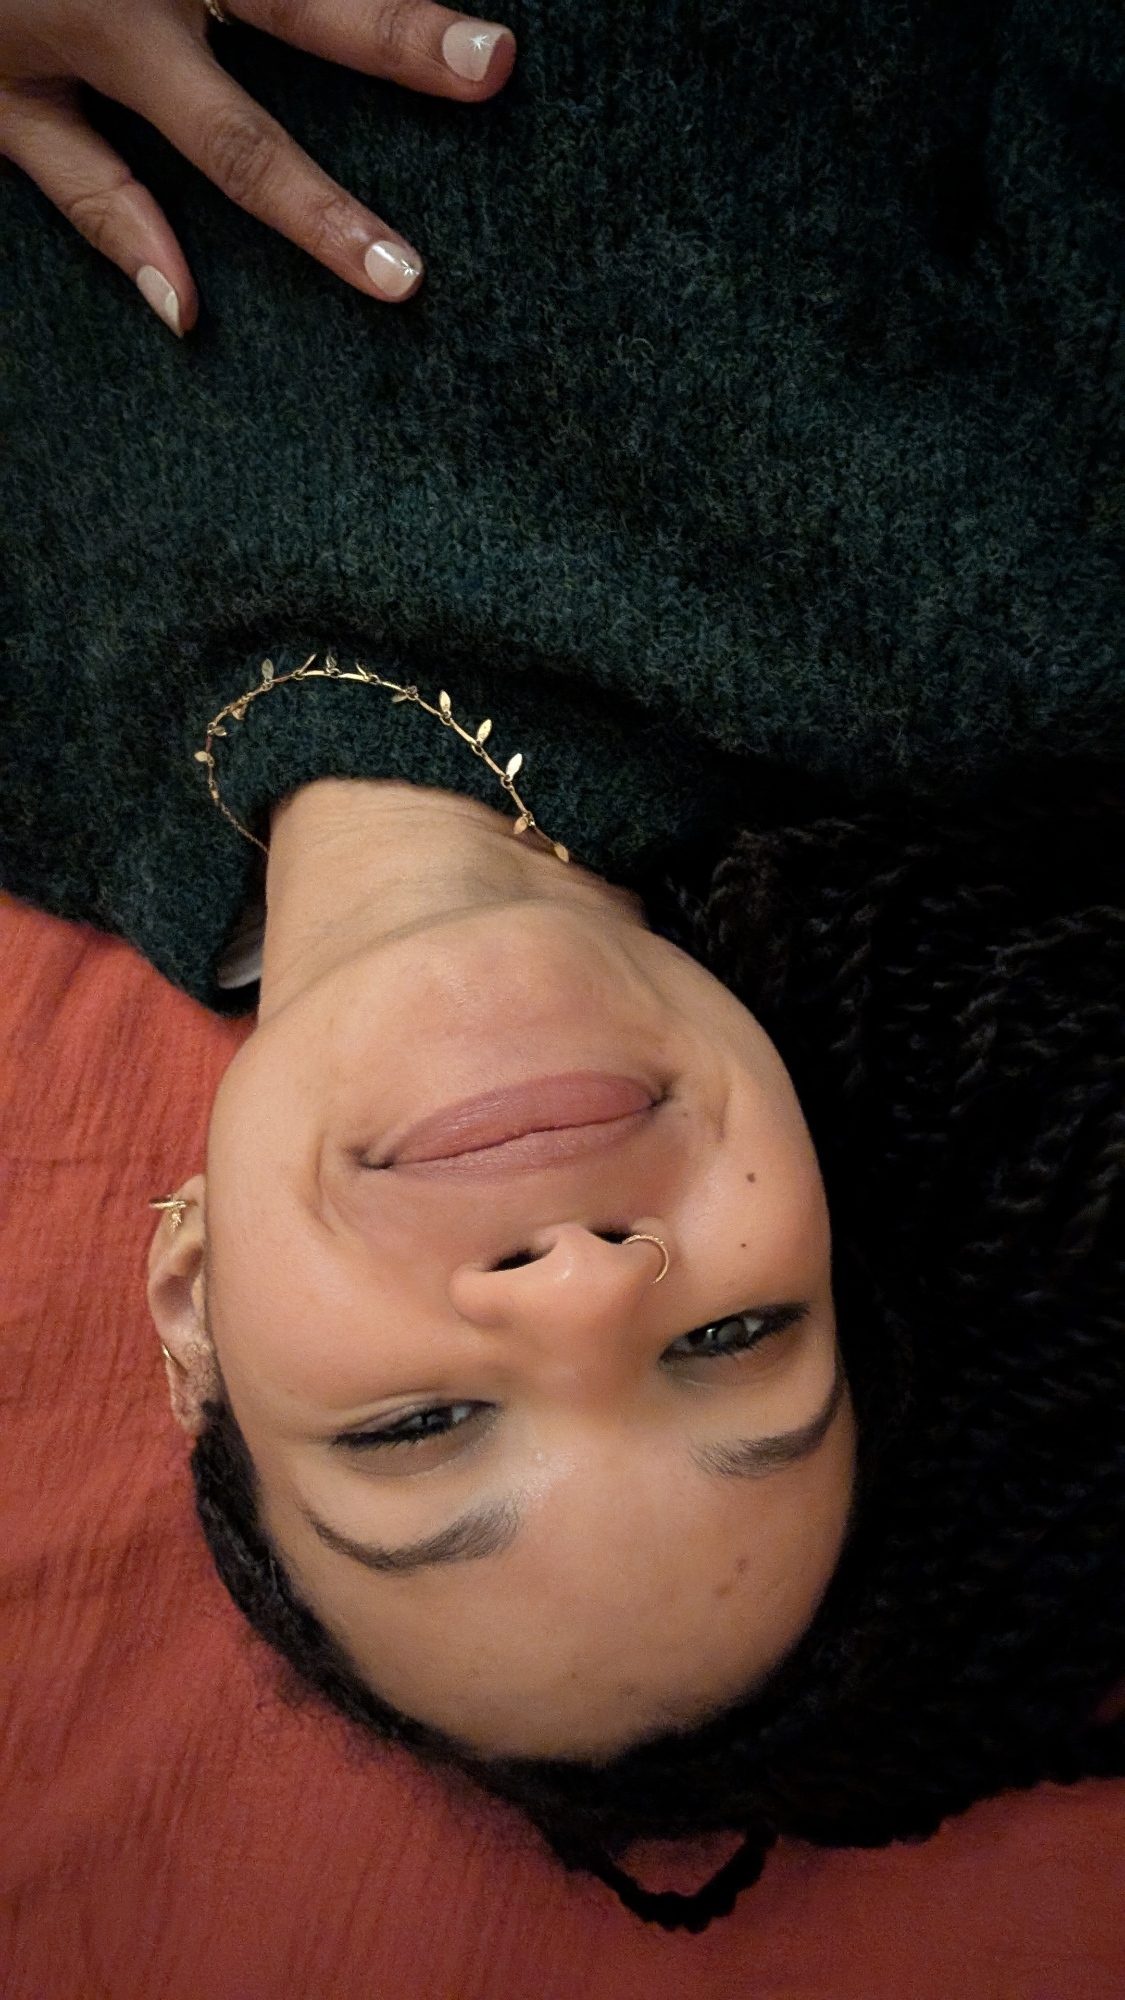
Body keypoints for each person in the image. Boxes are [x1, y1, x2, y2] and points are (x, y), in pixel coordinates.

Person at [2, 0, 1124, 1931]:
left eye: (419, 1429)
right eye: (732, 1343)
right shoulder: (1025, 614)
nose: (584, 1289)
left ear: (190, 1311)